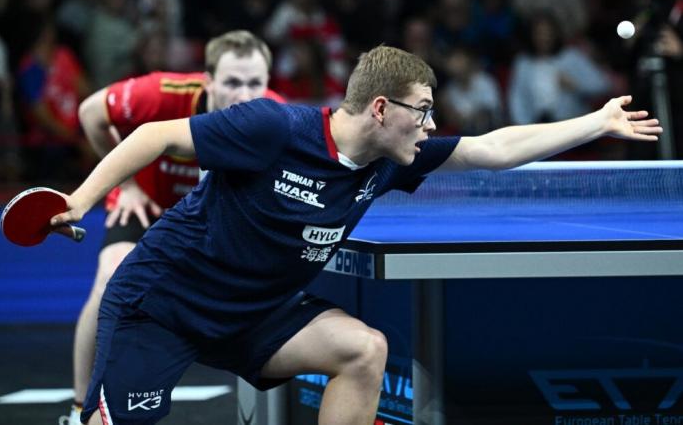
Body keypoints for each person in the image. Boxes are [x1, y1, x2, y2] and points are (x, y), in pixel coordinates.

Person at [51, 45, 660, 425]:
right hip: (164, 304)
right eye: (422, 108)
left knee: (363, 350)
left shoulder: (395, 158)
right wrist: (80, 200)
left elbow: (492, 148)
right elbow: (154, 136)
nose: (431, 123)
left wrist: (597, 122)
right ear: (380, 109)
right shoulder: (272, 127)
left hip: (254, 315)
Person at [59, 30, 283, 425]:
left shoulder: (276, 116)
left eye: (255, 83)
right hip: (145, 205)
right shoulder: (161, 93)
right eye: (232, 82)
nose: (245, 95)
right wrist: (127, 185)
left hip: (211, 218)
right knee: (111, 279)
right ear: (207, 79)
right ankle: (79, 410)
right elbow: (90, 113)